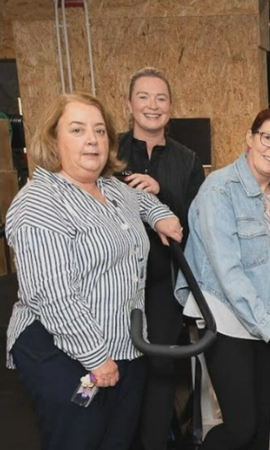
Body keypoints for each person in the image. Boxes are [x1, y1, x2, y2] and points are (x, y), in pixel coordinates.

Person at [5, 92, 182, 450]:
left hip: (124, 341)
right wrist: (96, 358)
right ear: (54, 139)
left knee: (117, 439)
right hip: (63, 348)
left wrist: (161, 215)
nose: (92, 139)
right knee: (79, 438)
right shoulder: (39, 201)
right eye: (77, 129)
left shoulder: (111, 187)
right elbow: (52, 294)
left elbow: (143, 199)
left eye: (100, 131)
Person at [174, 108, 270, 450]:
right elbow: (227, 272)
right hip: (229, 323)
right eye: (268, 138)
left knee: (267, 423)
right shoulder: (218, 190)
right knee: (240, 427)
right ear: (250, 138)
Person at [117, 66, 206, 450]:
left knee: (160, 367)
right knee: (120, 363)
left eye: (161, 98)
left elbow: (196, 220)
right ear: (129, 104)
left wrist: (160, 191)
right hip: (117, 281)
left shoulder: (187, 160)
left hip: (166, 281)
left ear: (171, 106)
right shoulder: (111, 151)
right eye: (144, 97)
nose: (153, 106)